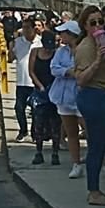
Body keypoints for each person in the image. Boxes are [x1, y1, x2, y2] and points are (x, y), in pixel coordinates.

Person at [75, 8, 105, 205]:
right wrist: (98, 61)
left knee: (101, 145)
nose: (98, 26)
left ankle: (96, 189)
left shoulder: (101, 42)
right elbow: (81, 80)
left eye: (100, 21)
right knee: (96, 146)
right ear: (85, 26)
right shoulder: (85, 48)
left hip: (103, 94)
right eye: (92, 23)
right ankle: (93, 192)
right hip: (93, 96)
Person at [49, 20, 86, 179]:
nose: (60, 35)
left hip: (80, 96)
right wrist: (68, 72)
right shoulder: (61, 51)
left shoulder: (83, 50)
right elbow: (53, 68)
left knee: (90, 131)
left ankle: (104, 162)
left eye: (63, 32)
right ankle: (76, 163)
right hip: (63, 96)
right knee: (71, 132)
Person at [30, 29, 62, 165]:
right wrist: (40, 86)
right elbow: (31, 71)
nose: (49, 51)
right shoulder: (35, 52)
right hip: (40, 92)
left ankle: (55, 153)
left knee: (55, 124)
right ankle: (38, 152)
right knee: (38, 124)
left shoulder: (57, 53)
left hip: (54, 91)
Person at [10, 18, 41, 142]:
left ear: (34, 28)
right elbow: (10, 59)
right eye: (24, 27)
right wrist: (11, 47)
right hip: (21, 81)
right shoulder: (18, 42)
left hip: (35, 81)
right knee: (19, 107)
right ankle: (23, 130)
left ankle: (35, 133)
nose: (25, 30)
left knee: (35, 109)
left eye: (28, 27)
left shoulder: (40, 42)